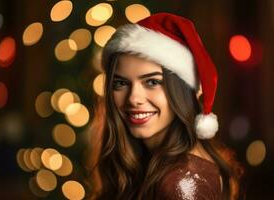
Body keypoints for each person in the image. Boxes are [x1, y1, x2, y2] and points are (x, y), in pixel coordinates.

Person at [84, 12, 242, 200]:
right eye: (121, 83)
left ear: (180, 90)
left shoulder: (182, 183)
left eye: (152, 82)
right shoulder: (144, 162)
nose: (133, 98)